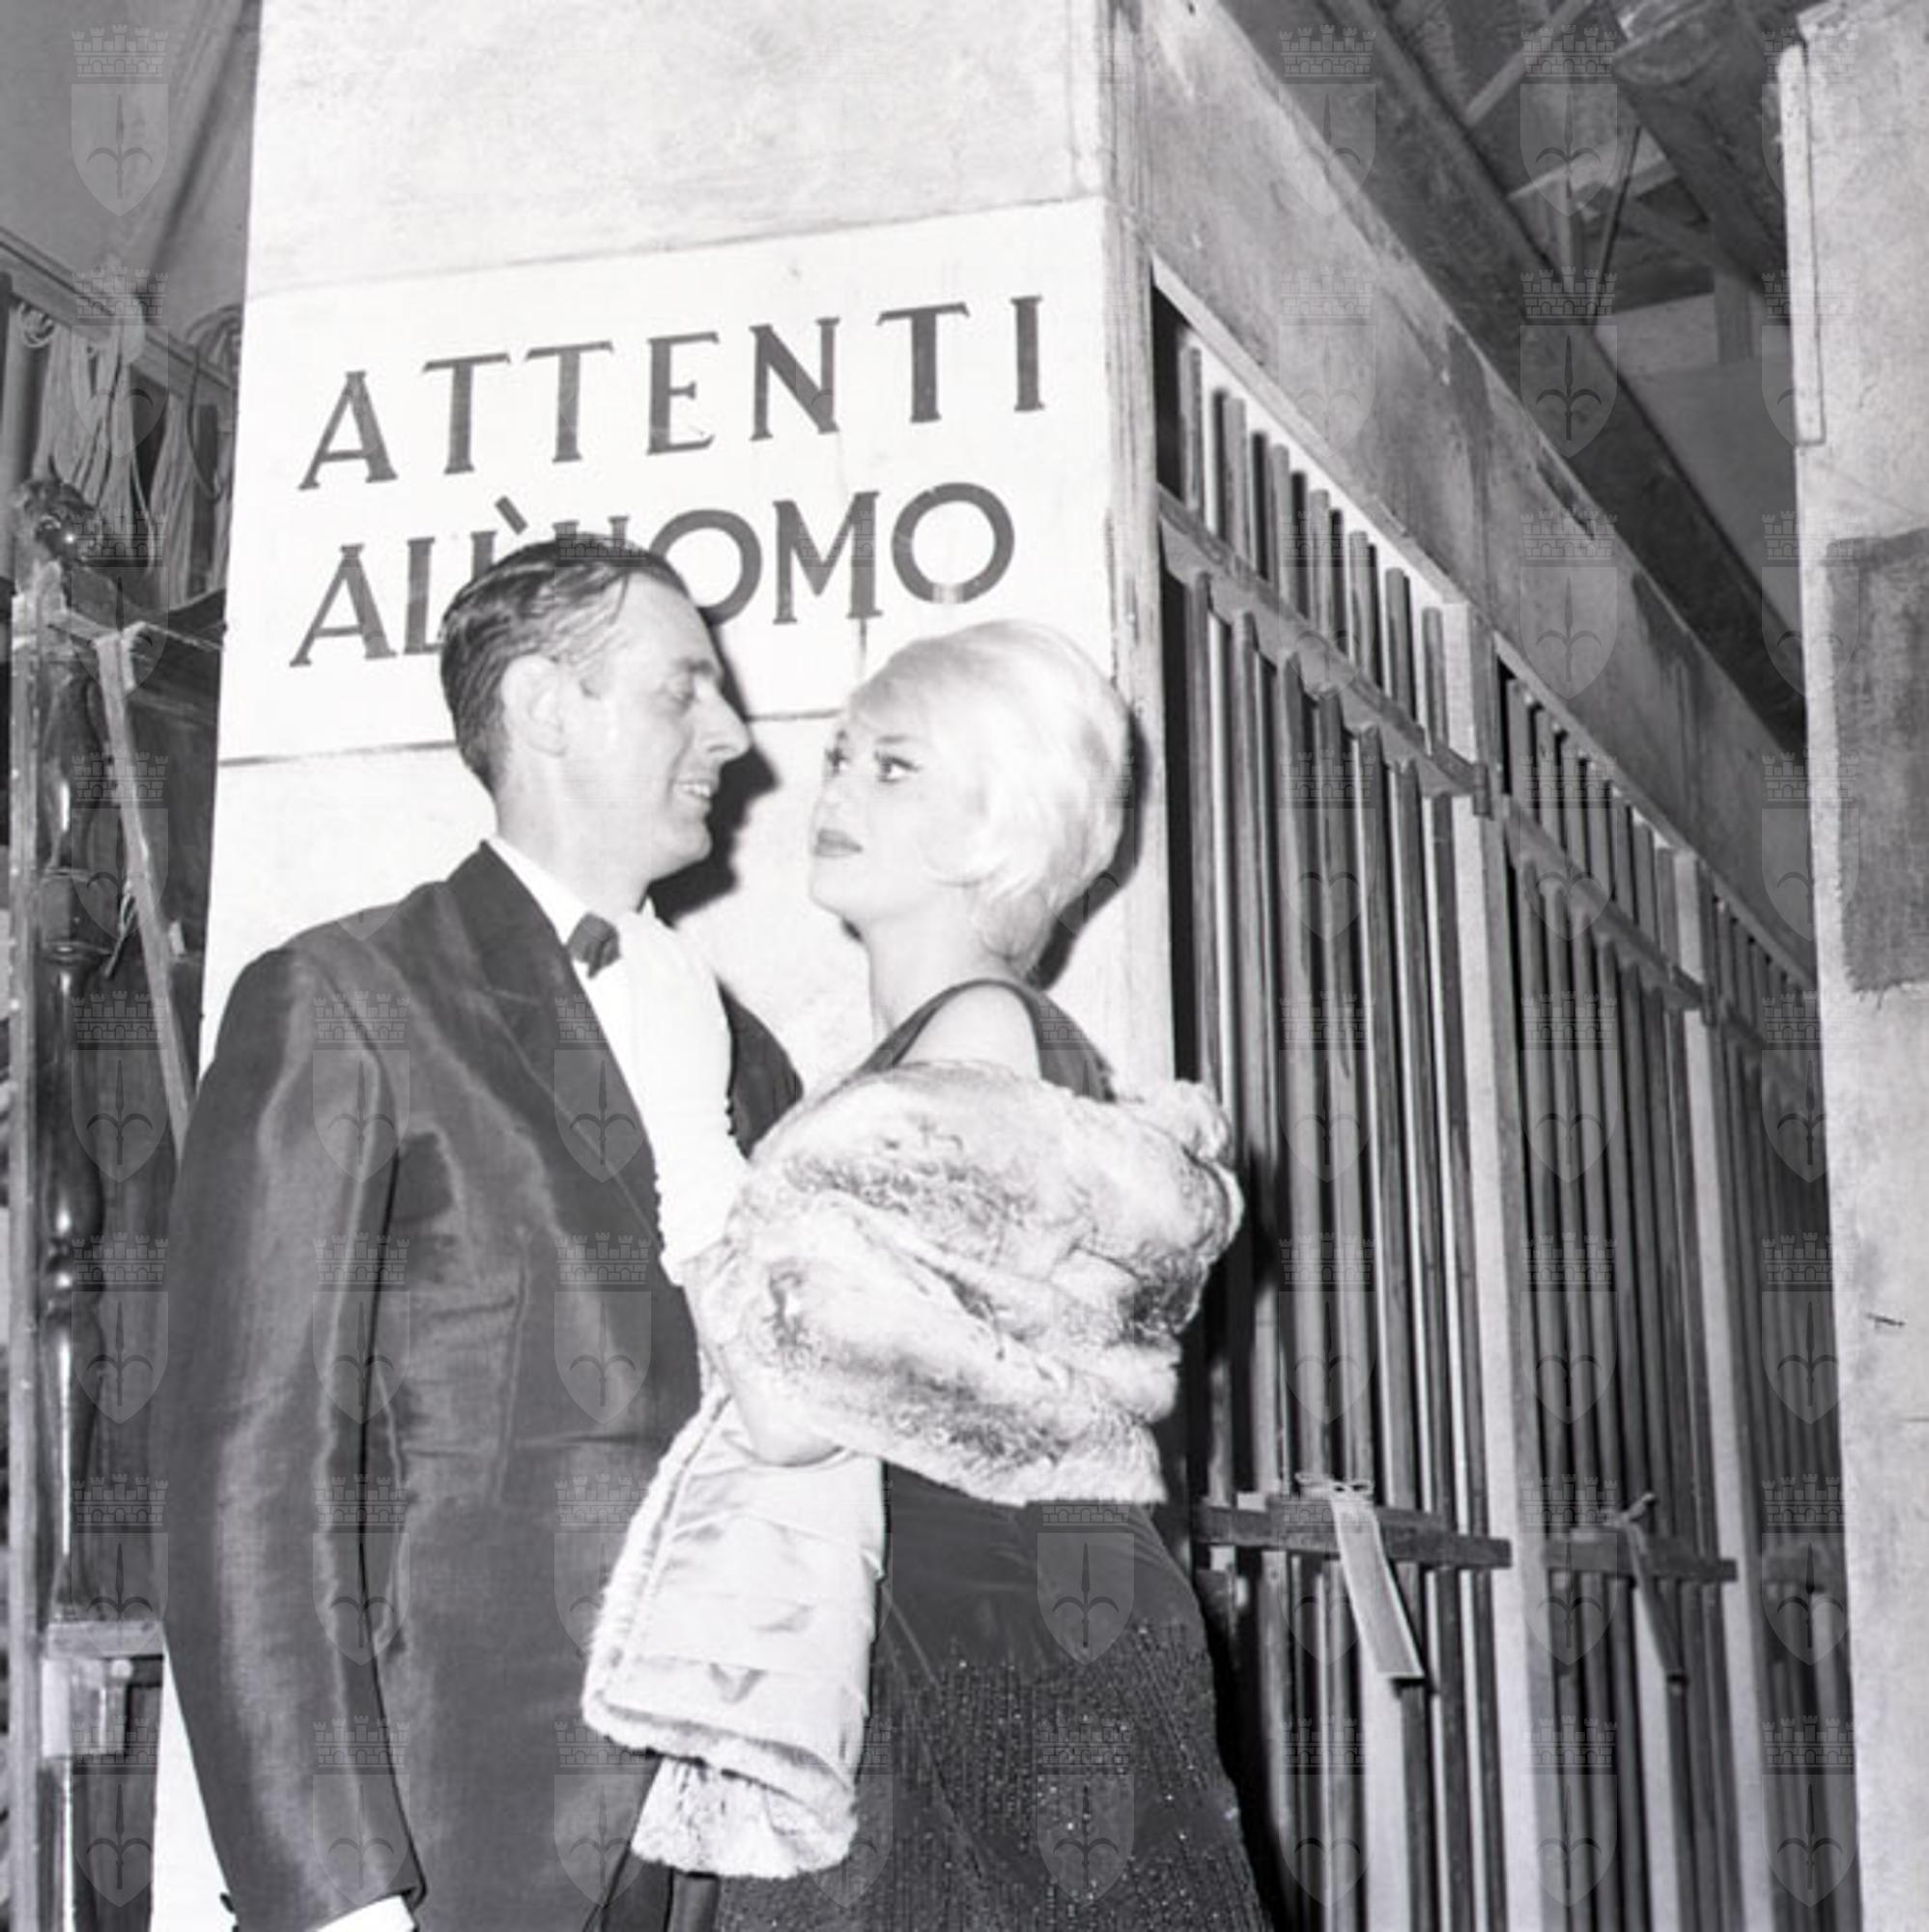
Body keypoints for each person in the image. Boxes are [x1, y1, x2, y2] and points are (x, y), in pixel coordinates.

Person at [157, 538, 801, 1932]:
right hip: (454, 1847)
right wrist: (330, 1890)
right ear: (545, 708)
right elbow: (250, 1475)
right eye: (681, 689)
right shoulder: (344, 1000)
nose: (732, 735)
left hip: (721, 1848)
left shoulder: (745, 1054)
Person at [637, 620, 1268, 1928]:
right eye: (842, 756)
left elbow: (792, 1411)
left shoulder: (973, 1037)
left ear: (998, 821)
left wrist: (689, 1166)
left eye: (895, 766)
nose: (838, 790)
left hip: (985, 1635)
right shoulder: (965, 1052)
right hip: (1015, 1616)